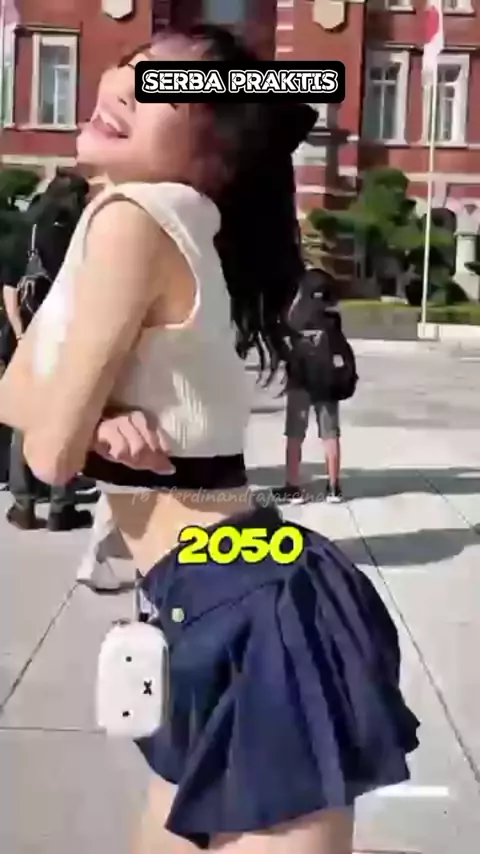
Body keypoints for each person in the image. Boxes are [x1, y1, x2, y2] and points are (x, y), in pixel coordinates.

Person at [0, 25, 418, 854]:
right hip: (216, 598)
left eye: (167, 92)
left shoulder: (134, 219)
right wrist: (93, 419)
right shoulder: (134, 219)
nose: (125, 87)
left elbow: (46, 455)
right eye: (133, 69)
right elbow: (17, 392)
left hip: (250, 614)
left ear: (214, 159)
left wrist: (79, 426)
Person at [3, 176, 95, 530]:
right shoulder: (83, 236)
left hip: (28, 338)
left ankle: (24, 505)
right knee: (65, 417)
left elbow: (10, 289)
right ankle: (61, 506)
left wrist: (20, 333)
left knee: (24, 419)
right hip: (68, 338)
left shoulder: (26, 232)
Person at [273, 267, 347, 505]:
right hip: (327, 382)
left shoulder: (293, 317)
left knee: (295, 435)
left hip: (300, 380)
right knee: (330, 434)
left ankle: (293, 488)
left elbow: (281, 341)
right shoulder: (332, 319)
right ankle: (334, 488)